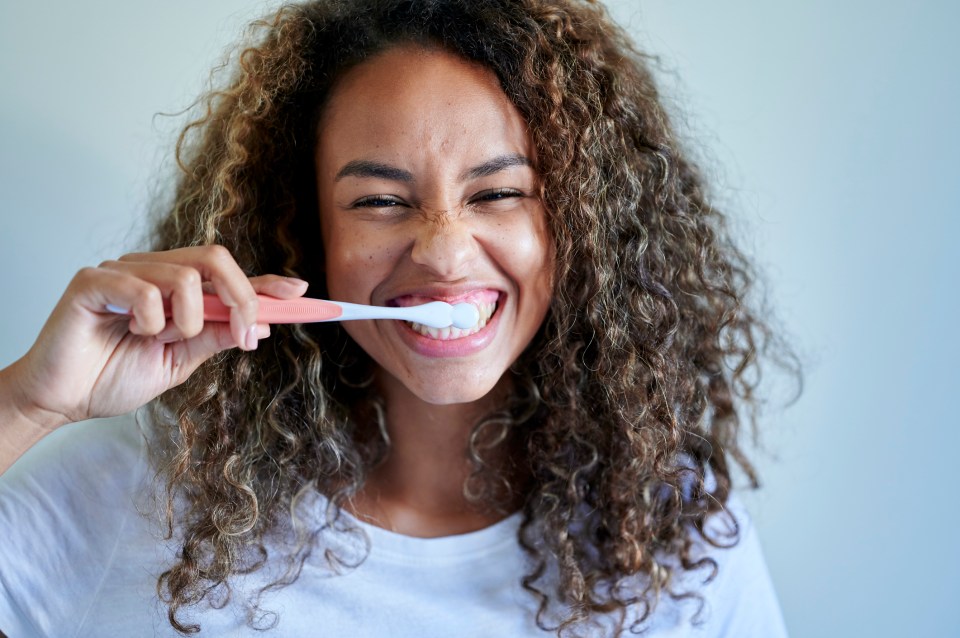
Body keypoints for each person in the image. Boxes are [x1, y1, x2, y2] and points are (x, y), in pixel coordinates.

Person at [0, 0, 801, 636]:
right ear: (306, 229)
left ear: (582, 224)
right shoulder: (124, 493)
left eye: (498, 193)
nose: (445, 253)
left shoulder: (673, 541)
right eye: (381, 201)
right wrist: (30, 406)